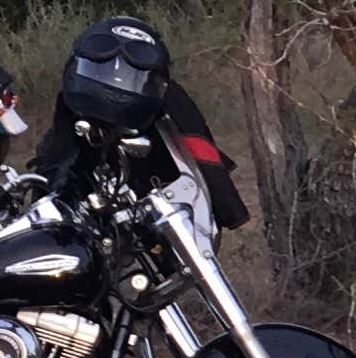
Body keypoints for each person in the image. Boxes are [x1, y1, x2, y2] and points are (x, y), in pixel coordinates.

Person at [32, 15, 252, 229]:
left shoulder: (171, 103)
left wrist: (227, 206)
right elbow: (55, 159)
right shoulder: (73, 111)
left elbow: (200, 149)